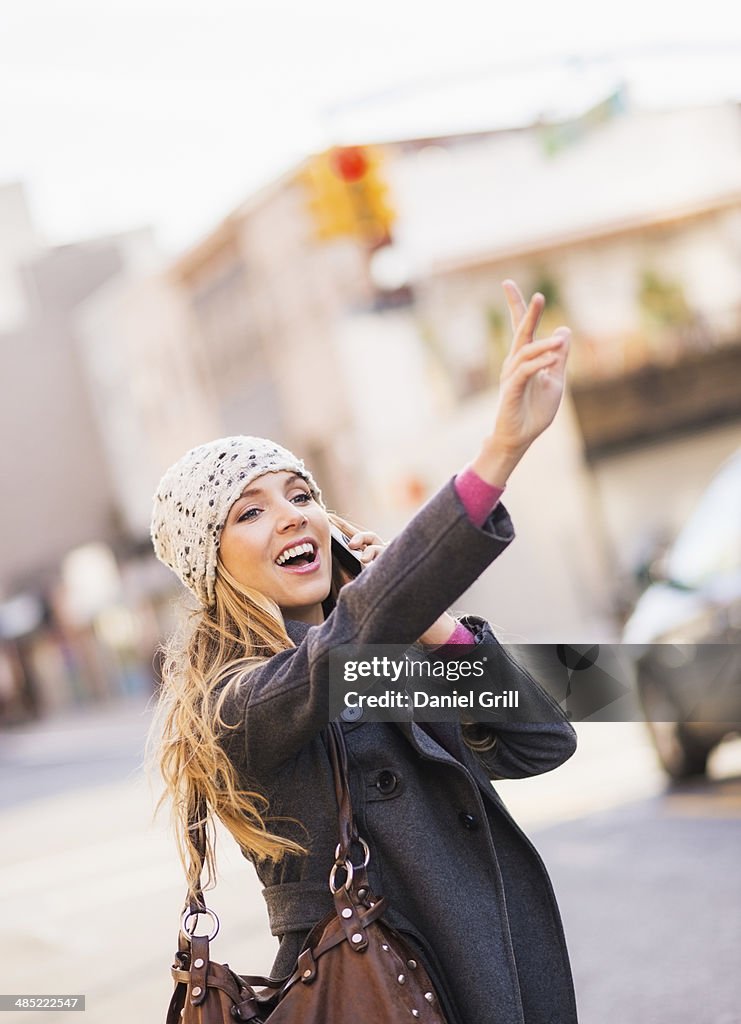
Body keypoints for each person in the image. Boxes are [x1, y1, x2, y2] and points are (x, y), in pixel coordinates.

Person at [150, 281, 579, 1024]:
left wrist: (429, 622)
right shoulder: (238, 701)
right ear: (209, 564)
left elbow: (541, 739)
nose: (291, 518)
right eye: (251, 511)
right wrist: (497, 454)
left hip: (488, 979)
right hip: (380, 995)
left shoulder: (374, 654)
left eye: (299, 495)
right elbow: (332, 659)